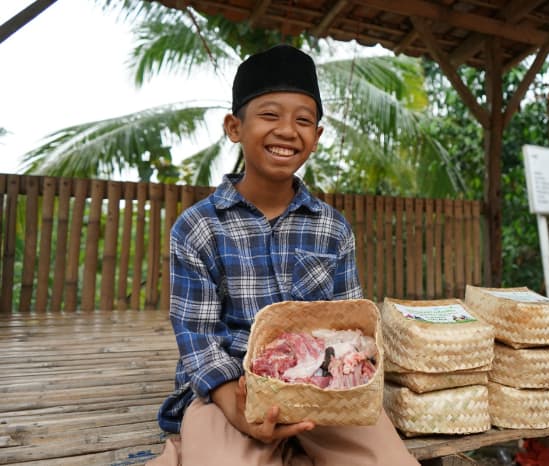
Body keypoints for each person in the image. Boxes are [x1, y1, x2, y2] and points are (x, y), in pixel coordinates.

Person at [147, 44, 419, 466]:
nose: (287, 130)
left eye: (303, 120)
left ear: (317, 137)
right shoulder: (198, 227)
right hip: (231, 390)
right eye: (270, 115)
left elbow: (352, 328)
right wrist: (240, 414)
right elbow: (198, 340)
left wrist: (343, 381)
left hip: (327, 389)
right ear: (235, 127)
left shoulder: (332, 228)